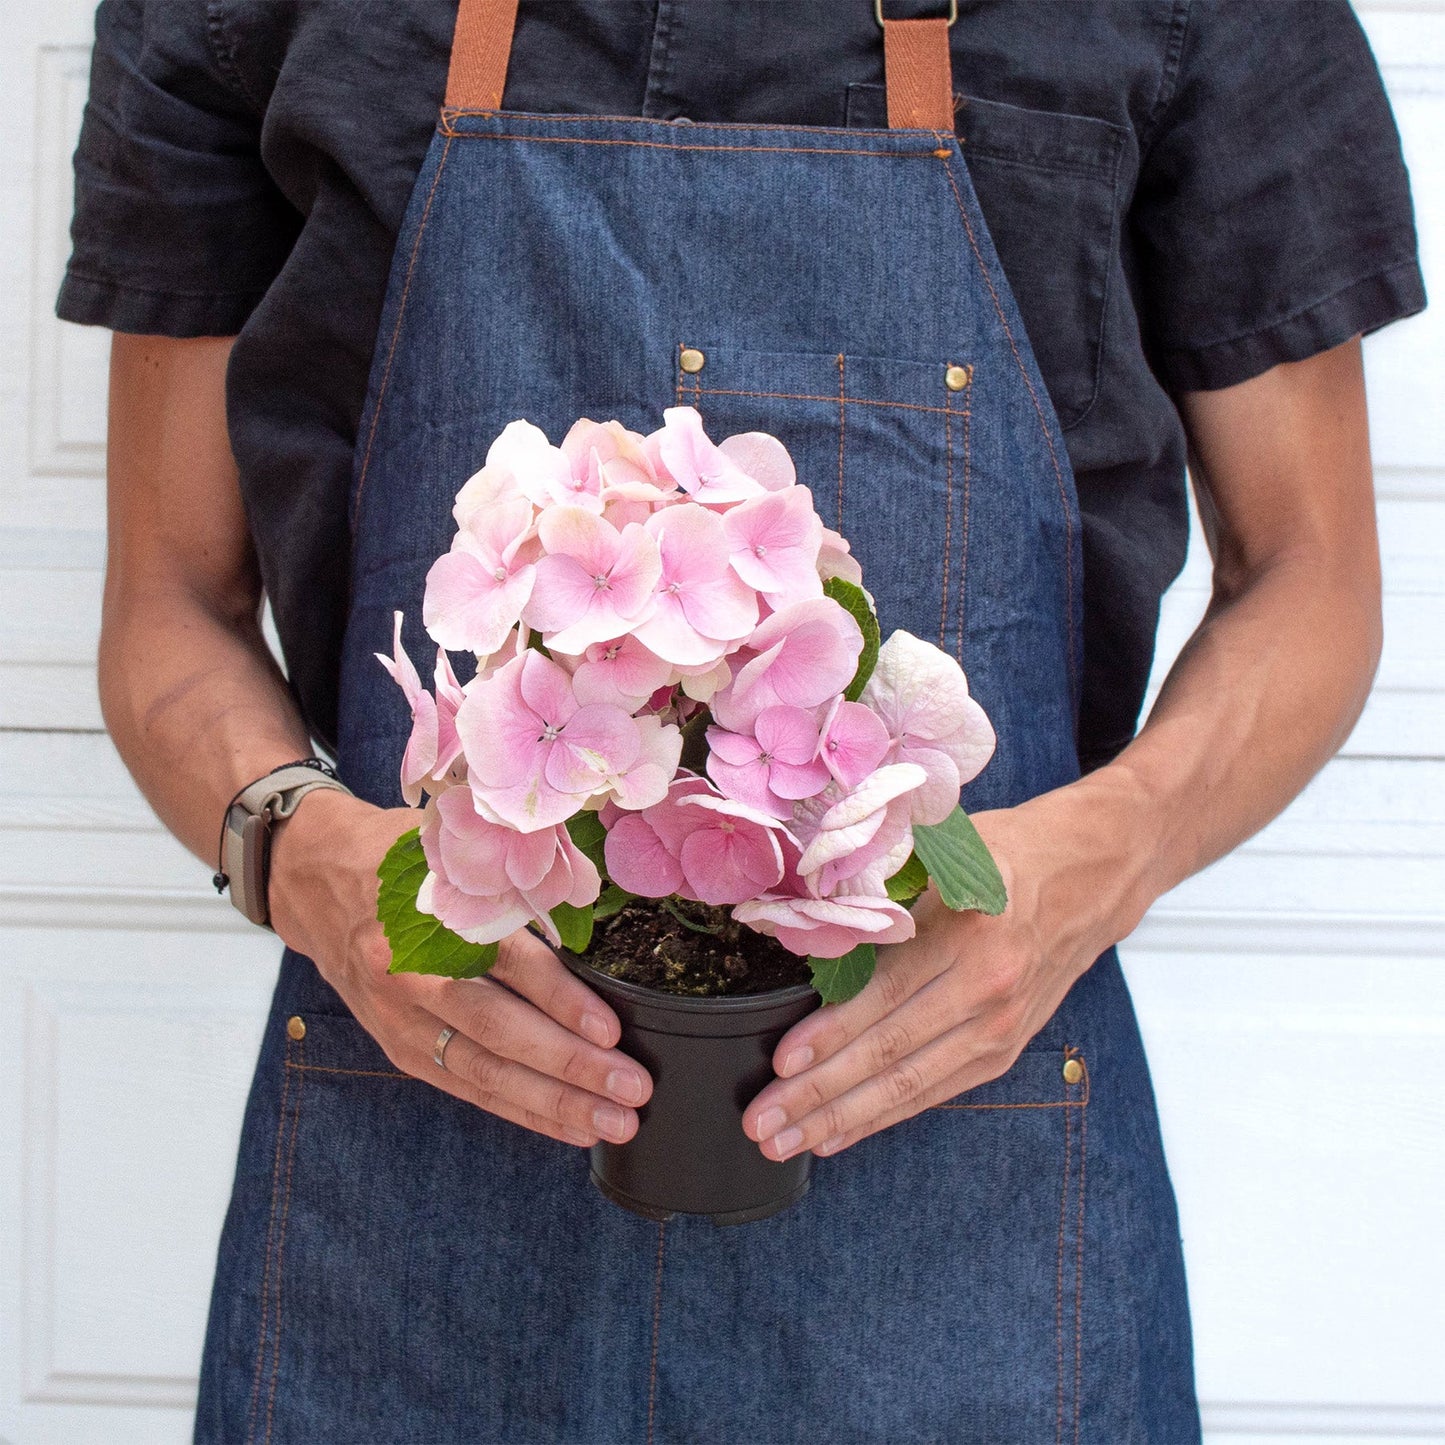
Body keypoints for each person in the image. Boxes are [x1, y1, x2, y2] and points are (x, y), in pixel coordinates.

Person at [61, 1, 1423, 1440]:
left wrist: (1103, 856)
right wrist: (296, 848)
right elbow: (168, 601)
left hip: (969, 1209)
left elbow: (1311, 578)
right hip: (410, 1210)